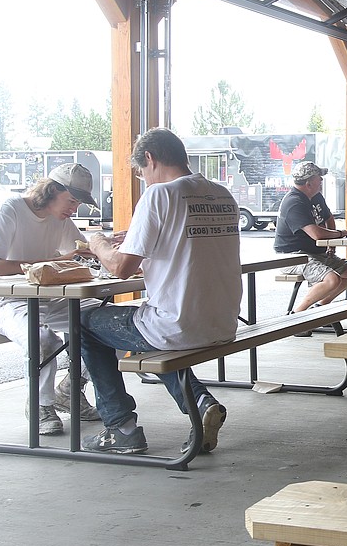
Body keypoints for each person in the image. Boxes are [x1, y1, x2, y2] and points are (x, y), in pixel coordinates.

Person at [79, 128, 242, 455]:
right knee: (143, 329)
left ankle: (120, 427)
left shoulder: (159, 195)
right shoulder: (222, 193)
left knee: (84, 323)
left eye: (142, 173)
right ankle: (199, 401)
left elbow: (120, 268)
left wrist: (97, 243)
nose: (144, 181)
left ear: (150, 158)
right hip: (222, 323)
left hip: (179, 326)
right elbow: (189, 251)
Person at [0, 163, 102, 435]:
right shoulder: (8, 209)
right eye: (72, 200)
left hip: (45, 297)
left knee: (105, 321)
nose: (74, 209)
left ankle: (70, 388)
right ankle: (41, 405)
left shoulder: (59, 217)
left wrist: (108, 246)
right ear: (51, 190)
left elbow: (82, 252)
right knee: (43, 340)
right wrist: (56, 260)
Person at [273, 161, 347, 317]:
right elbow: (315, 233)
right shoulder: (293, 202)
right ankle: (296, 316)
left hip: (316, 253)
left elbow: (328, 217)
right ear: (308, 183)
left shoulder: (315, 196)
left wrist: (331, 244)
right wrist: (338, 234)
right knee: (332, 280)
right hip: (293, 256)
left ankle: (317, 309)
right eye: (319, 178)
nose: (322, 181)